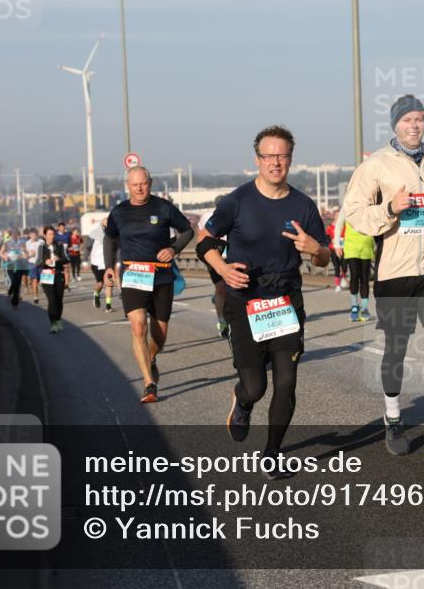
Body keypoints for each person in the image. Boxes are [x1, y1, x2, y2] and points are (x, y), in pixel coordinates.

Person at [197, 125, 330, 480]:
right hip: (245, 301)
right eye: (268, 156)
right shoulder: (237, 201)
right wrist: (223, 268)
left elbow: (325, 257)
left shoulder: (303, 205)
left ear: (290, 159)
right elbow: (204, 241)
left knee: (286, 382)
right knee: (256, 386)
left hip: (286, 300)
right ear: (257, 160)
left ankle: (272, 452)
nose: (275, 162)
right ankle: (242, 401)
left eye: (282, 155)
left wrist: (316, 250)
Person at [344, 94, 424, 460]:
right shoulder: (376, 165)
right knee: (397, 347)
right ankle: (393, 418)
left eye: (420, 118)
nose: (414, 125)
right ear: (395, 124)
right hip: (394, 272)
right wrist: (390, 208)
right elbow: (355, 214)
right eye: (408, 119)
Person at [104, 166, 194, 403]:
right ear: (128, 185)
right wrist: (108, 267)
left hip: (161, 276)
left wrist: (173, 248)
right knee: (138, 327)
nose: (140, 188)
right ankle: (149, 383)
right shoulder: (119, 211)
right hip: (133, 275)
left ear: (150, 183)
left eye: (143, 183)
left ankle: (151, 355)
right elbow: (110, 238)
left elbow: (187, 231)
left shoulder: (163, 207)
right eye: (135, 185)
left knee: (160, 334)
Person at [334, 205, 375, 322]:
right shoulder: (347, 205)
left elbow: (377, 222)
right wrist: (337, 245)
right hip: (351, 246)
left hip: (366, 245)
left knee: (365, 279)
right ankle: (354, 307)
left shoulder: (370, 203)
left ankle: (365, 308)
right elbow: (339, 225)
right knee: (354, 276)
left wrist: (376, 244)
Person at [198, 197, 230, 338]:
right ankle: (222, 322)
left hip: (232, 255)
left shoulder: (236, 213)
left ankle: (220, 300)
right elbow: (200, 235)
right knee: (221, 287)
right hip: (215, 255)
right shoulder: (207, 217)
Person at [36, 226, 70, 333]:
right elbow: (37, 262)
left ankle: (58, 320)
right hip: (47, 275)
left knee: (59, 300)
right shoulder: (41, 247)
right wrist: (45, 262)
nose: (51, 236)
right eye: (49, 234)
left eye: (53, 234)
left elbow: (66, 259)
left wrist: (59, 259)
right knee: (52, 300)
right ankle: (53, 323)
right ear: (45, 235)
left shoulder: (59, 245)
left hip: (59, 274)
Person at [88, 220, 115, 312]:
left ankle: (108, 305)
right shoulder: (97, 232)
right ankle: (96, 293)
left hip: (108, 263)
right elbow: (88, 245)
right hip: (97, 262)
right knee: (100, 284)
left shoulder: (114, 233)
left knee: (109, 283)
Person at [3, 228, 28, 307]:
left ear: (18, 235)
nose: (15, 235)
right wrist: (4, 256)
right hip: (10, 264)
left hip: (20, 264)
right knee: (14, 281)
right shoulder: (6, 243)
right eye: (13, 234)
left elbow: (25, 253)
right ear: (10, 235)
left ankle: (15, 302)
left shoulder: (22, 243)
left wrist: (25, 255)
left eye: (16, 234)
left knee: (18, 283)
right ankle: (10, 292)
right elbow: (1, 252)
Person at [326, 219, 349, 291]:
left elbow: (348, 236)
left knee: (344, 267)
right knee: (337, 267)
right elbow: (326, 237)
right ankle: (338, 285)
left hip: (343, 249)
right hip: (334, 249)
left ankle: (343, 277)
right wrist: (331, 241)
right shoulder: (330, 227)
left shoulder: (344, 226)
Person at [24, 228, 43, 304]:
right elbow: (25, 254)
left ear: (37, 235)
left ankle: (36, 289)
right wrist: (30, 254)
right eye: (32, 235)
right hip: (32, 263)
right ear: (29, 235)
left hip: (41, 263)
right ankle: (36, 297)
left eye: (35, 235)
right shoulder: (27, 243)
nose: (33, 236)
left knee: (39, 281)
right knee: (34, 280)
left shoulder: (41, 242)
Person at [54, 222, 73, 289]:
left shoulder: (67, 235)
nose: (63, 229)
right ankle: (58, 281)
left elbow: (70, 244)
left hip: (65, 254)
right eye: (61, 227)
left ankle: (66, 284)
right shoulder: (55, 235)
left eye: (64, 227)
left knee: (66, 269)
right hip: (58, 255)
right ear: (58, 228)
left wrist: (69, 247)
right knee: (58, 269)